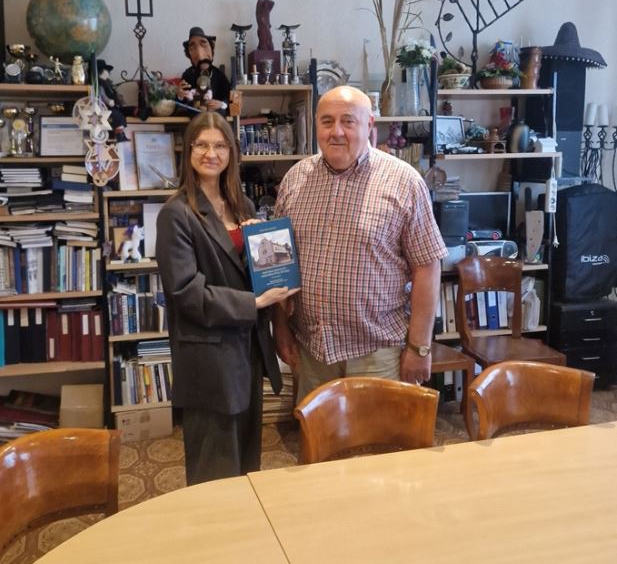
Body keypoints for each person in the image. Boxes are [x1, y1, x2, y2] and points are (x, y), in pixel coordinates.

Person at [273, 86, 447, 403]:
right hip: (313, 353)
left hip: (378, 355)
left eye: (348, 121)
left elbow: (427, 267)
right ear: (316, 125)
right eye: (327, 121)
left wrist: (419, 347)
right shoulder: (295, 179)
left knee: (380, 436)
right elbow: (280, 264)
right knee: (319, 435)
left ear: (369, 126)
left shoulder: (404, 182)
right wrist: (281, 328)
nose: (336, 131)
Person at [156, 112, 298, 485]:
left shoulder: (241, 206)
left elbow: (243, 274)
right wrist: (255, 303)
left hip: (247, 350)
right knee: (214, 470)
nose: (211, 154)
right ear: (188, 152)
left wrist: (260, 251)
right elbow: (186, 292)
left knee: (247, 462)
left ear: (232, 152)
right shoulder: (176, 214)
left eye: (220, 145)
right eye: (201, 145)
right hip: (209, 358)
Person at [178, 26, 232, 114]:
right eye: (192, 48)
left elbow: (228, 95)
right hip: (196, 112)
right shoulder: (188, 74)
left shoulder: (218, 74)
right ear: (189, 55)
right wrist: (180, 95)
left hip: (216, 113)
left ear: (211, 48)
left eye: (204, 45)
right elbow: (182, 102)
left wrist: (222, 104)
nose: (200, 55)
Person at [96, 59, 127, 141]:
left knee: (123, 112)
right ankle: (119, 135)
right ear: (100, 71)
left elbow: (115, 93)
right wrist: (108, 101)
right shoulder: (99, 83)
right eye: (106, 70)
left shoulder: (108, 83)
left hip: (114, 105)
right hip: (105, 108)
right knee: (117, 115)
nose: (108, 72)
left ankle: (121, 134)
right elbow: (101, 94)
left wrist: (120, 100)